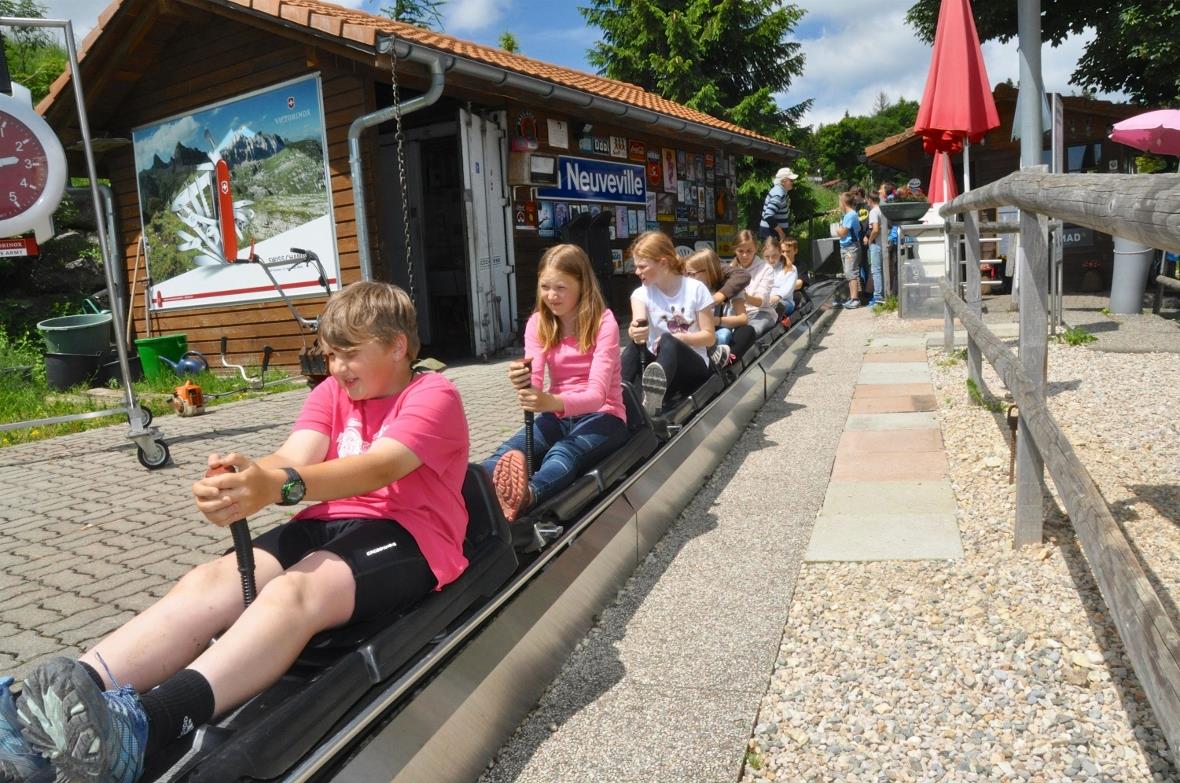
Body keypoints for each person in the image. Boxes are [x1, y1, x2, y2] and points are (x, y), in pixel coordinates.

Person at [0, 282, 469, 783]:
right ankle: (45, 715)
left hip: (412, 533)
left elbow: (380, 467)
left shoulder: (432, 395)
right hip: (328, 521)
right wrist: (245, 481)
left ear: (397, 346)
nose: (337, 368)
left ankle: (144, 727)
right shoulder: (332, 393)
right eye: (331, 355)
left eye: (350, 354)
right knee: (208, 581)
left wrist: (278, 486)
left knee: (293, 592)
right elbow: (294, 456)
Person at [481, 244, 629, 522]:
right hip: (557, 414)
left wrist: (549, 402)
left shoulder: (603, 322)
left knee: (563, 452)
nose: (551, 296)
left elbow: (596, 395)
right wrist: (523, 381)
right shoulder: (538, 323)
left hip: (604, 414)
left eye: (560, 288)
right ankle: (471, 487)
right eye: (545, 287)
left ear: (582, 285)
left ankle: (528, 495)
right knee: (508, 452)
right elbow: (535, 380)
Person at [622, 231, 716, 416]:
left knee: (668, 340)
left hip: (691, 368)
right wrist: (635, 332)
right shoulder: (640, 294)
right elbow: (638, 324)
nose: (637, 272)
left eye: (642, 267)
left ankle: (654, 395)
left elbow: (709, 337)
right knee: (634, 347)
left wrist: (680, 338)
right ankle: (617, 394)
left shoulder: (696, 289)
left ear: (663, 263)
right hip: (656, 366)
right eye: (636, 266)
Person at [685, 248, 753, 365]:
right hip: (697, 335)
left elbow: (743, 319)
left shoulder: (730, 286)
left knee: (727, 333)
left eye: (692, 274)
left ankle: (719, 356)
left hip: (719, 332)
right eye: (687, 274)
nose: (689, 278)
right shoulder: (692, 290)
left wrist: (715, 320)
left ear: (708, 271)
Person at [732, 230, 777, 336]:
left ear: (756, 249)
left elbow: (761, 301)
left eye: (749, 251)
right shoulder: (730, 269)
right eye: (740, 251)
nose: (745, 255)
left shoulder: (766, 269)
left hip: (760, 313)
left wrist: (743, 295)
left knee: (747, 333)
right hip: (735, 314)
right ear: (734, 250)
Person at [837, 191, 862, 307]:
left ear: (843, 202)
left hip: (850, 247)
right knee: (848, 273)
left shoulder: (850, 215)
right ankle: (852, 297)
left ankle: (855, 299)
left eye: (839, 202)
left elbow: (842, 232)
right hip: (845, 247)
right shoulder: (846, 215)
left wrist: (838, 231)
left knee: (850, 272)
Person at [758, 167, 797, 241]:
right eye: (791, 180)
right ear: (783, 181)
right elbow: (768, 216)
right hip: (771, 234)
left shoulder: (781, 192)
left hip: (772, 233)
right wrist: (781, 232)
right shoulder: (778, 194)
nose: (793, 182)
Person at [767, 237, 799, 317]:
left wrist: (777, 296)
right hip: (767, 299)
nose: (785, 254)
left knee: (779, 305)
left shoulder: (792, 268)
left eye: (788, 251)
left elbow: (788, 288)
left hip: (785, 301)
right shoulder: (771, 267)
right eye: (782, 251)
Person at [864, 192, 884, 306]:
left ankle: (877, 297)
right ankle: (883, 294)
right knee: (882, 270)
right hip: (883, 243)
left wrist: (870, 240)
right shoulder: (882, 210)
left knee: (876, 271)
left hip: (876, 244)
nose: (867, 202)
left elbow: (875, 229)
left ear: (870, 200)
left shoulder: (873, 212)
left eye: (867, 200)